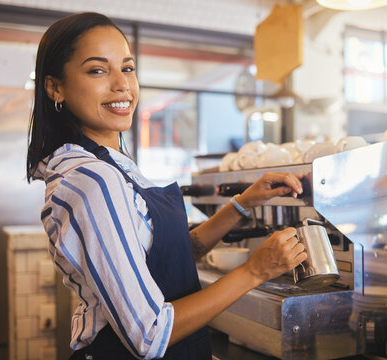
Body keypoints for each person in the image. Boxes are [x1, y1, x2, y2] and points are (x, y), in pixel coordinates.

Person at [27, 12, 306, 360]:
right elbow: (149, 335)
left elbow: (169, 258)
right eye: (97, 70)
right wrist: (255, 271)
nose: (122, 85)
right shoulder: (92, 181)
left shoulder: (112, 165)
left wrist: (242, 204)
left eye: (127, 68)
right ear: (55, 87)